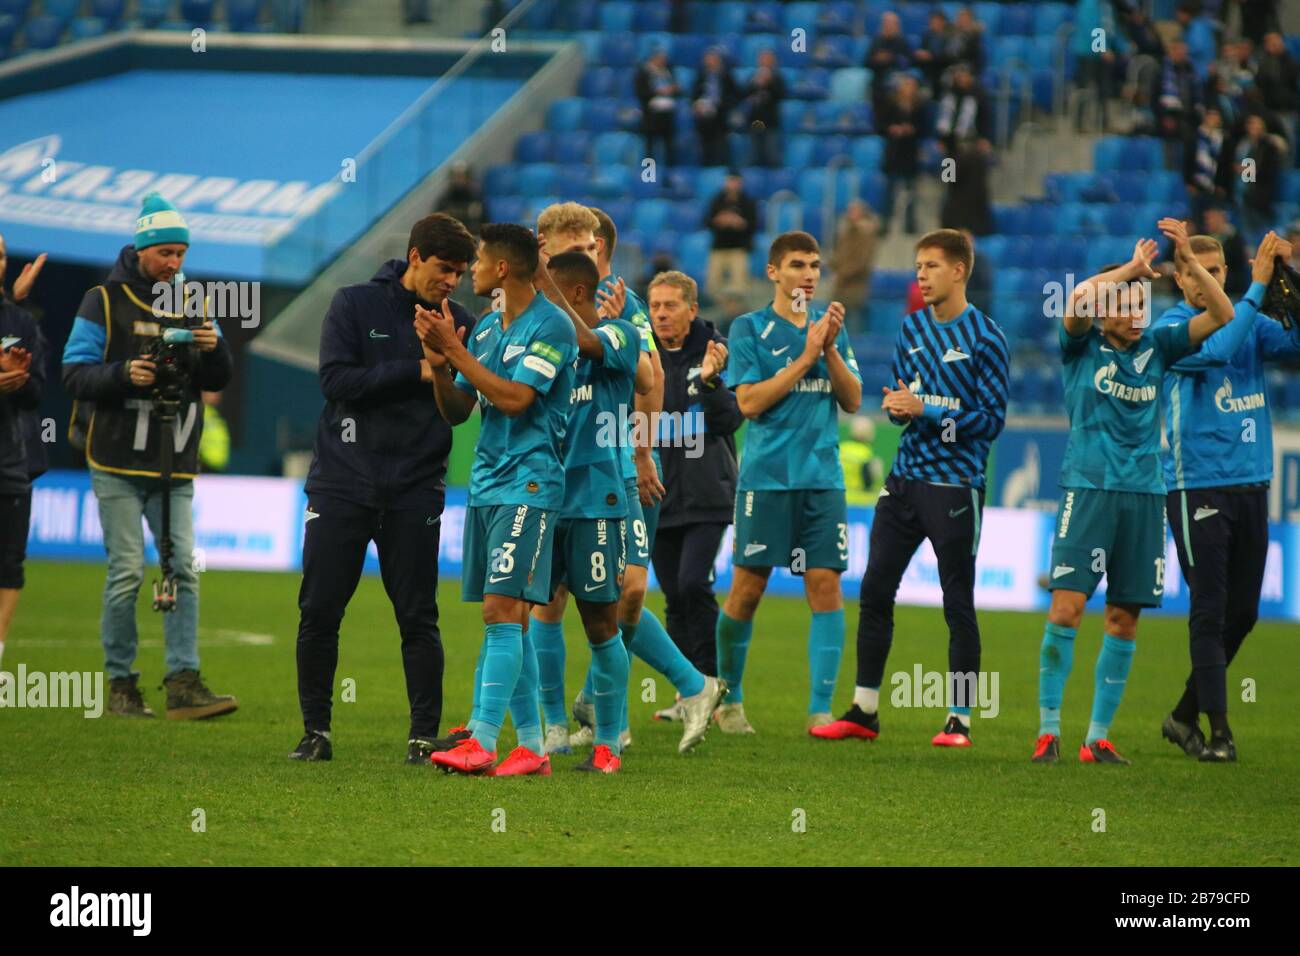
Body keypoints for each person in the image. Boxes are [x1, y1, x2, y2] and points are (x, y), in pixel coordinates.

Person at [1032, 220, 1236, 765]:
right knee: (1067, 610)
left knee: (1124, 618)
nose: (1134, 308)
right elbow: (1077, 299)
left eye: (1140, 299)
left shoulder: (1161, 347)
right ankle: (1048, 731)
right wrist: (1126, 270)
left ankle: (1096, 738)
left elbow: (1222, 315)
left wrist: (1188, 260)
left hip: (1146, 495)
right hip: (1089, 488)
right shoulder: (1079, 346)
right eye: (1124, 300)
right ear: (1105, 309)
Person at [528, 205, 723, 760]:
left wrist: (642, 452)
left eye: (594, 248)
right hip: (550, 472)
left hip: (613, 471)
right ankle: (561, 725)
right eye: (578, 249)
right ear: (546, 249)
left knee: (626, 594)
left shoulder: (622, 304)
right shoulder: (529, 303)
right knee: (550, 601)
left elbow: (650, 377)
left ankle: (624, 702)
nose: (590, 258)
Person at [288, 213, 477, 764]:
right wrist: (419, 369)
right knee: (320, 609)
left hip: (416, 488)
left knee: (418, 615)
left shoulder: (460, 320)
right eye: (445, 268)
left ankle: (422, 738)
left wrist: (448, 367)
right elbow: (335, 381)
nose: (452, 281)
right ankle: (316, 732)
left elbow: (461, 409)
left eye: (461, 273)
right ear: (415, 257)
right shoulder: (353, 304)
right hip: (342, 484)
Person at [814, 229, 1009, 747]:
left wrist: (927, 409)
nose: (919, 275)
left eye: (930, 266)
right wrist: (900, 409)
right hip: (903, 483)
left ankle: (959, 719)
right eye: (918, 266)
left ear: (959, 271)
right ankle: (864, 710)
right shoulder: (911, 329)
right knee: (875, 590)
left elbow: (990, 421)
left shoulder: (986, 337)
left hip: (954, 486)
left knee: (957, 603)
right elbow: (904, 404)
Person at [61, 192, 236, 720]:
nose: (176, 264)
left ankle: (182, 680)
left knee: (182, 566)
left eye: (182, 254)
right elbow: (73, 372)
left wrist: (212, 348)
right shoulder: (102, 301)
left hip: (175, 459)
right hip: (115, 459)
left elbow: (218, 378)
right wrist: (123, 374)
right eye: (166, 253)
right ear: (142, 250)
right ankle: (121, 685)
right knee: (127, 572)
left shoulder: (193, 302)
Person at [417, 223, 581, 776]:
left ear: (502, 268)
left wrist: (454, 350)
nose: (471, 271)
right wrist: (442, 365)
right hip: (488, 484)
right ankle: (532, 748)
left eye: (479, 261)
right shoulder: (487, 329)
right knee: (509, 616)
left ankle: (482, 738)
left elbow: (514, 399)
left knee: (501, 609)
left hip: (530, 482)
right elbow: (457, 411)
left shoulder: (552, 326)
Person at [1156, 230, 1297, 762]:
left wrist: (1286, 276)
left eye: (1216, 273)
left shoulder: (1250, 318)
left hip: (1252, 483)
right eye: (1196, 272)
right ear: (1180, 278)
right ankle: (1219, 733)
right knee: (1210, 611)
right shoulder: (1170, 327)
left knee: (1244, 613)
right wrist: (1256, 290)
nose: (1206, 281)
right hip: (1197, 487)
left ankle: (1183, 714)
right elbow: (1219, 349)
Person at [714, 232, 863, 733]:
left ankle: (820, 709)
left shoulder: (831, 330)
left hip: (822, 479)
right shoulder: (749, 329)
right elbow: (749, 403)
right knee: (747, 591)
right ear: (774, 272)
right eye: (798, 264)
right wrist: (805, 357)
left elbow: (853, 399)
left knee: (826, 586)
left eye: (816, 265)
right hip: (768, 481)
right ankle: (728, 701)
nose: (809, 274)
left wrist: (832, 351)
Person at [644, 270, 743, 701]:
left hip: (708, 494)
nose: (661, 315)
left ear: (692, 309)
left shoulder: (718, 352)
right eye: (655, 307)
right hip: (659, 492)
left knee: (692, 585)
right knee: (671, 594)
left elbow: (729, 420)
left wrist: (710, 382)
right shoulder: (644, 354)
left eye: (670, 306)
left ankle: (708, 683)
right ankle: (687, 693)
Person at [0, 235, 45, 685]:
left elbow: (37, 392)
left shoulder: (18, 320)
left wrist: (19, 376)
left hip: (10, 461)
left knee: (10, 564)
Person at [936, 65, 994, 235]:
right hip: (951, 150)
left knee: (971, 189)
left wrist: (984, 139)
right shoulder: (949, 96)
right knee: (950, 186)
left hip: (971, 148)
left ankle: (971, 226)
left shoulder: (978, 96)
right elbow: (944, 122)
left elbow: (986, 119)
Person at [704, 173, 758, 316]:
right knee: (713, 283)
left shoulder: (747, 202)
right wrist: (720, 221)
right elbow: (707, 221)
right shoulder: (717, 200)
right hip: (719, 247)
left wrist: (739, 223)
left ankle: (736, 312)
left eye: (735, 182)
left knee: (738, 284)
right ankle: (718, 312)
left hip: (738, 248)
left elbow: (753, 225)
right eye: (730, 181)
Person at [879, 74, 926, 236]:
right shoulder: (891, 104)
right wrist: (892, 129)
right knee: (889, 192)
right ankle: (885, 223)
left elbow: (925, 127)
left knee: (911, 191)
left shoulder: (919, 107)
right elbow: (881, 125)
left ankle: (910, 224)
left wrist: (911, 130)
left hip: (910, 153)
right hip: (893, 153)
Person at [1232, 114, 1283, 241]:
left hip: (1259, 194)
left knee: (1260, 229)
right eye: (1250, 124)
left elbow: (1270, 169)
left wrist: (1249, 170)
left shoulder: (1269, 146)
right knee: (1244, 229)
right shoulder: (1242, 144)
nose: (1253, 127)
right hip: (1241, 190)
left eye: (1256, 124)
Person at [829, 199, 880, 327]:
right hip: (840, 289)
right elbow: (839, 255)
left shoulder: (866, 235)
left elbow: (862, 263)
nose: (850, 214)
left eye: (854, 211)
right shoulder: (846, 232)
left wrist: (841, 274)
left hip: (855, 290)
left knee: (853, 328)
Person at [692, 47, 739, 168]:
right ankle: (706, 166)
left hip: (721, 116)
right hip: (704, 118)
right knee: (705, 144)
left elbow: (736, 95)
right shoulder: (701, 76)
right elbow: (694, 94)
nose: (710, 62)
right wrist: (697, 104)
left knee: (722, 144)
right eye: (708, 59)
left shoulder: (726, 76)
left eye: (712, 59)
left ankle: (723, 167)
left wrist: (722, 105)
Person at [635, 47, 680, 173]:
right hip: (651, 115)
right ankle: (649, 172)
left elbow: (677, 89)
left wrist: (674, 89)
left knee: (669, 144)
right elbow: (641, 92)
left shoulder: (668, 72)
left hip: (667, 114)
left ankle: (670, 171)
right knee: (650, 145)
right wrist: (657, 91)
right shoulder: (643, 73)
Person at [744, 48, 786, 168]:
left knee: (771, 154)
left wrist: (770, 83)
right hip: (755, 121)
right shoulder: (753, 77)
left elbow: (781, 94)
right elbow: (744, 94)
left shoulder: (777, 78)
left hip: (770, 122)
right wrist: (755, 84)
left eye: (767, 59)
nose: (764, 61)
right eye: (762, 58)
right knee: (753, 155)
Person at [865, 11, 912, 118]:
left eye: (892, 24)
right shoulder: (876, 42)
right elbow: (866, 62)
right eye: (886, 24)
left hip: (897, 79)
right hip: (878, 80)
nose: (889, 26)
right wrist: (877, 60)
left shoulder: (902, 42)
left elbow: (908, 62)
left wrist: (890, 58)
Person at [839, 416, 884, 507]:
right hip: (861, 504)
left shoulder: (840, 449)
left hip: (839, 500)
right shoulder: (866, 454)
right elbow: (869, 481)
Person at [434, 162, 483, 236]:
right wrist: (467, 212)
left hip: (471, 237)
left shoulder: (476, 197)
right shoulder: (444, 199)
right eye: (456, 177)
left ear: (468, 178)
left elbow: (482, 222)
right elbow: (438, 219)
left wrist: (453, 212)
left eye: (462, 176)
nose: (459, 180)